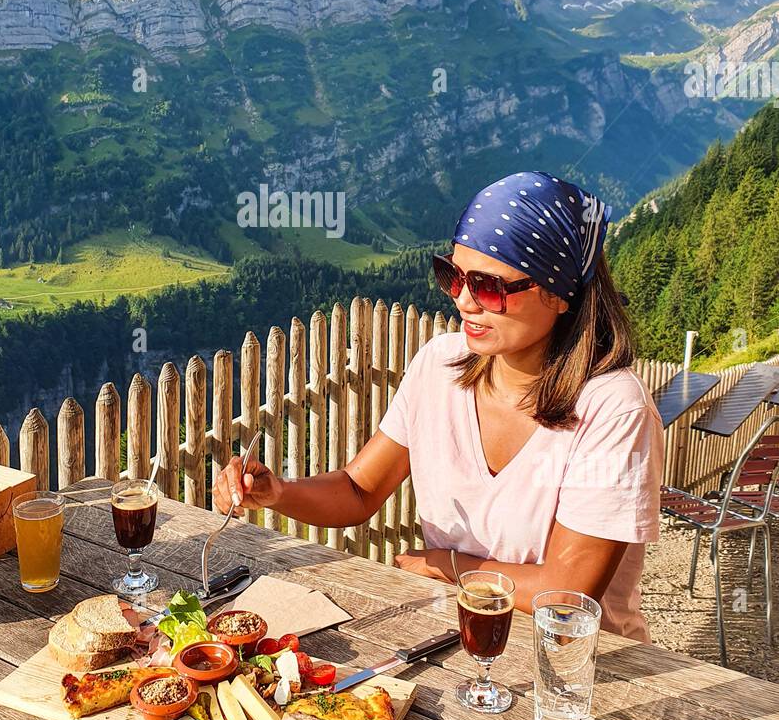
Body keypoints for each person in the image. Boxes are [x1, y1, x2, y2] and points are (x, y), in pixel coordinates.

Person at [212, 171, 663, 641]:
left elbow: (565, 594)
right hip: (454, 634)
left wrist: (448, 565)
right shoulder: (439, 364)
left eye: (490, 286)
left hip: (578, 672)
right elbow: (358, 490)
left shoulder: (613, 409)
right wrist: (280, 492)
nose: (464, 300)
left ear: (559, 293)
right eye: (453, 275)